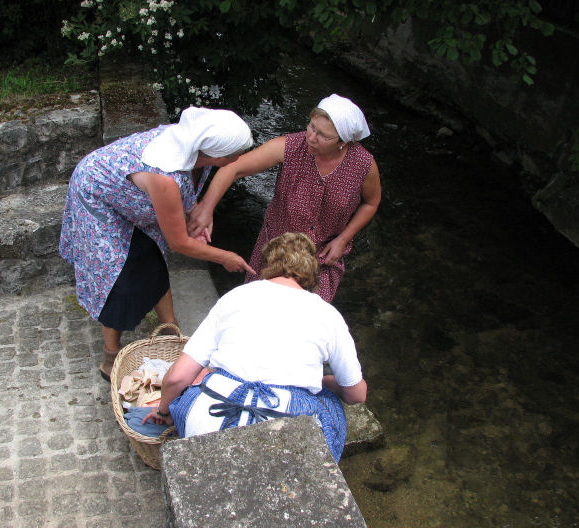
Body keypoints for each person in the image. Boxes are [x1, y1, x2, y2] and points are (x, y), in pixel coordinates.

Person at [59, 107, 256, 381]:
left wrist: (197, 212)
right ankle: (110, 356)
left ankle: (170, 331)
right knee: (118, 280)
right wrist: (224, 257)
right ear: (218, 155)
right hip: (97, 196)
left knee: (152, 260)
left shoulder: (194, 148)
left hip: (130, 197)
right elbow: (179, 243)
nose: (241, 158)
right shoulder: (165, 176)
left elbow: (184, 203)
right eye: (237, 153)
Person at [142, 232, 367, 462]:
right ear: (311, 272)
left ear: (268, 265)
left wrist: (163, 411)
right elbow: (356, 394)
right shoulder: (327, 314)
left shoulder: (235, 297)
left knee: (200, 384)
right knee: (329, 406)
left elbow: (177, 378)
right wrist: (318, 383)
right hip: (285, 426)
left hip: (211, 416)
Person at [187, 93, 382, 303]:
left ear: (344, 142)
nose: (312, 136)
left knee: (304, 324)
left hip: (321, 260)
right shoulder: (291, 147)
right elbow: (233, 168)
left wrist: (343, 239)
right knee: (257, 311)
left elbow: (371, 203)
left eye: (323, 135)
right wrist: (207, 207)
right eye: (312, 126)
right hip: (274, 254)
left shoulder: (363, 165)